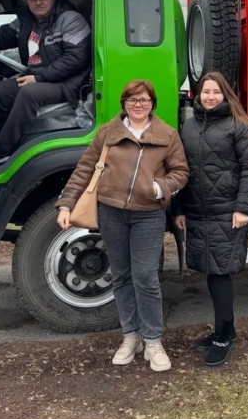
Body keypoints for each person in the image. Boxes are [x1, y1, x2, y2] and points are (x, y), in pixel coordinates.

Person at [55, 79, 189, 372]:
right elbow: (84, 169)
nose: (138, 105)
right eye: (132, 100)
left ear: (153, 103)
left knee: (146, 277)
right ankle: (131, 337)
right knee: (121, 276)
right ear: (123, 104)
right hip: (111, 214)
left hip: (148, 215)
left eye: (143, 100)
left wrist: (159, 188)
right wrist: (66, 204)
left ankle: (153, 340)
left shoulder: (167, 135)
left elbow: (181, 172)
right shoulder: (108, 133)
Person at [172, 71, 248, 366]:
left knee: (220, 272)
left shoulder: (239, 125)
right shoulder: (189, 125)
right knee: (211, 271)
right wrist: (179, 209)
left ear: (226, 95)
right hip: (197, 211)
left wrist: (242, 208)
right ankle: (227, 329)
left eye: (216, 92)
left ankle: (223, 335)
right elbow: (183, 171)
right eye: (206, 91)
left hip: (226, 212)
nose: (210, 96)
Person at [0, 0, 92, 165]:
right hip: (37, 78)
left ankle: (1, 150)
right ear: (27, 0)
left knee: (29, 93)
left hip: (67, 83)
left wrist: (38, 77)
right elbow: (1, 37)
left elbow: (76, 59)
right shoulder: (26, 21)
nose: (38, 2)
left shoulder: (70, 19)